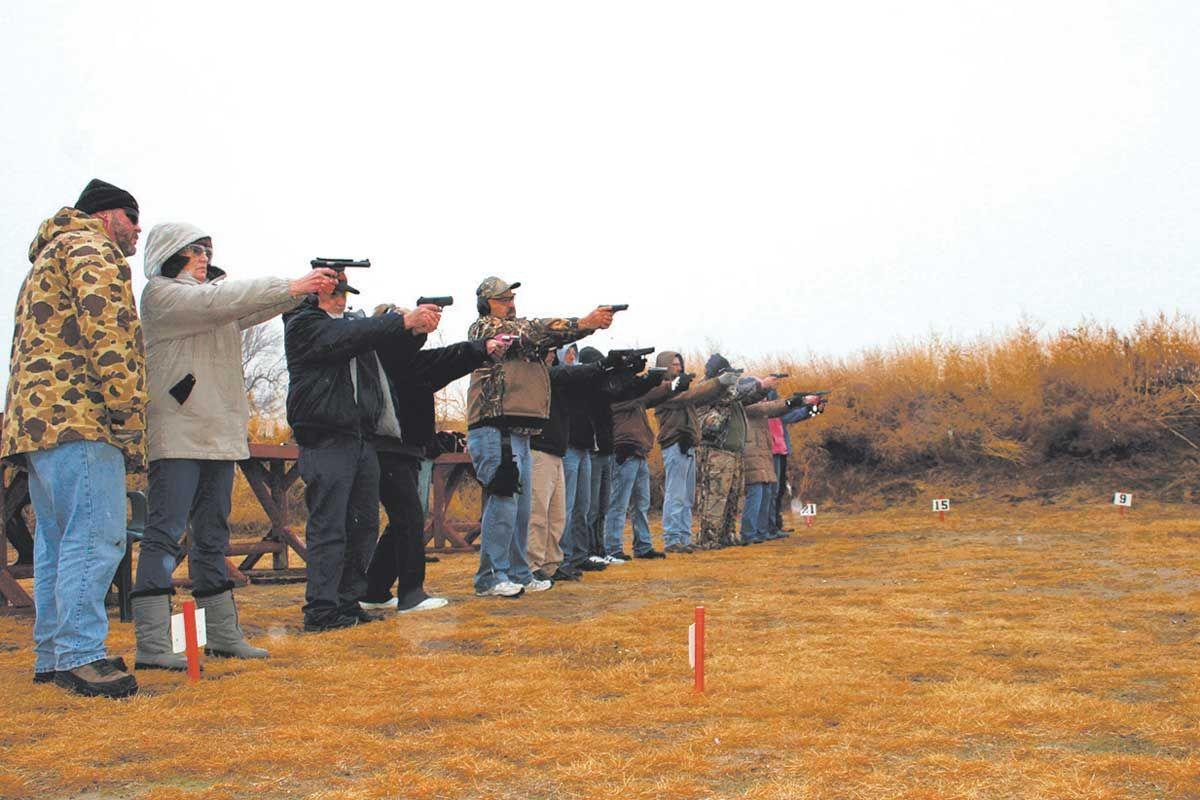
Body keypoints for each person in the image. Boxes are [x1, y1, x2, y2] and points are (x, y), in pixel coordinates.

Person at [130, 223, 338, 668]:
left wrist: (303, 291)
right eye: (194, 251)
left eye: (207, 250)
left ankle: (221, 635)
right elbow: (223, 299)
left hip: (218, 435)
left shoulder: (212, 303)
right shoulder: (163, 295)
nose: (204, 257)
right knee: (165, 535)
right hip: (179, 434)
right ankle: (152, 644)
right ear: (170, 254)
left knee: (212, 537)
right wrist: (293, 284)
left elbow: (247, 306)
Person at [2, 179, 144, 698]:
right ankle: (83, 654)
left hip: (37, 423)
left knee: (57, 541)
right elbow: (111, 338)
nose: (137, 229)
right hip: (81, 417)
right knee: (95, 534)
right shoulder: (91, 248)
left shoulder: (47, 256)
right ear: (108, 216)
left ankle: (54, 655)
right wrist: (129, 419)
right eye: (132, 216)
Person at [284, 277, 439, 631]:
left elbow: (384, 344)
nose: (342, 300)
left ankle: (348, 601)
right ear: (317, 292)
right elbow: (348, 338)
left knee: (363, 526)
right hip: (326, 438)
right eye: (335, 293)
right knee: (329, 526)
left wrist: (416, 330)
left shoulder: (353, 329)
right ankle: (322, 609)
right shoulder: (303, 325)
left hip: (362, 438)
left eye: (344, 294)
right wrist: (402, 321)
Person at [466, 277, 613, 597]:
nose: (510, 301)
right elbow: (535, 330)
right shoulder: (485, 329)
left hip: (519, 431)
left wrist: (586, 329)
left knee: (521, 511)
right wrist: (585, 322)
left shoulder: (520, 334)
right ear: (484, 303)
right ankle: (490, 576)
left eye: (511, 296)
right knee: (503, 504)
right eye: (502, 298)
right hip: (495, 428)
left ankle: (519, 573)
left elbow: (542, 335)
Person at [361, 302, 508, 613]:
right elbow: (442, 360)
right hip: (391, 448)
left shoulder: (400, 360)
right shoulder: (389, 359)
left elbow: (443, 362)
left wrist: (480, 349)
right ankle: (411, 594)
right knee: (410, 518)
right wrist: (482, 347)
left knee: (404, 520)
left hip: (404, 448)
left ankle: (375, 589)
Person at [527, 346, 605, 582]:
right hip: (540, 449)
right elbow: (566, 374)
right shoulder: (538, 374)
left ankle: (551, 563)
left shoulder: (558, 378)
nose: (553, 355)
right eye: (550, 351)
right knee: (538, 513)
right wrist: (599, 366)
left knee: (557, 514)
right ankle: (533, 565)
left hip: (557, 449)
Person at [602, 362, 684, 561]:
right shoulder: (615, 395)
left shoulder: (634, 397)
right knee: (619, 503)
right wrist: (664, 386)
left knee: (641, 503)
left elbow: (649, 396)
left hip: (638, 452)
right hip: (625, 451)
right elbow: (642, 396)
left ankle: (643, 545)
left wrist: (673, 386)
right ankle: (612, 547)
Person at [651, 351, 728, 553]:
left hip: (688, 444)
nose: (678, 368)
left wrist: (722, 387)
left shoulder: (680, 390)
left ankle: (683, 538)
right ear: (665, 366)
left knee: (686, 495)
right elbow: (691, 396)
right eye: (674, 364)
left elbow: (699, 397)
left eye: (679, 364)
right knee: (675, 493)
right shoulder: (662, 391)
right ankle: (672, 538)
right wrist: (719, 382)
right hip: (675, 444)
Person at [692, 356, 769, 550]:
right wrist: (728, 397)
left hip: (734, 453)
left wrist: (763, 387)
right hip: (716, 453)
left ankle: (726, 535)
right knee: (714, 498)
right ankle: (709, 539)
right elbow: (711, 424)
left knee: (732, 497)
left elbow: (748, 397)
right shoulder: (705, 393)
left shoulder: (728, 393)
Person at [739, 385, 817, 544]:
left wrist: (812, 409)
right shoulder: (758, 410)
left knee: (775, 491)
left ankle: (769, 527)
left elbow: (788, 415)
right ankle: (762, 529)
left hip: (778, 449)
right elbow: (787, 414)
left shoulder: (768, 409)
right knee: (768, 492)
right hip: (770, 451)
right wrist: (802, 403)